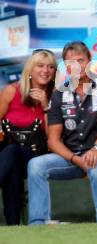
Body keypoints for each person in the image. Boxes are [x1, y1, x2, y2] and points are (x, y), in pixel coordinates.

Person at [27, 41, 97, 225]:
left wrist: (96, 148)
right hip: (72, 157)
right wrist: (75, 159)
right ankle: (37, 224)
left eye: (81, 60)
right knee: (35, 165)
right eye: (71, 63)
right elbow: (53, 140)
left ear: (89, 60)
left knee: (95, 160)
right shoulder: (59, 94)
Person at [0, 49, 57, 225]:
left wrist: (46, 106)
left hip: (37, 155)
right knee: (12, 167)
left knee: (12, 153)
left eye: (50, 67)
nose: (45, 70)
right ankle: (13, 227)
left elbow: (52, 138)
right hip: (9, 157)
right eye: (40, 65)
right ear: (30, 70)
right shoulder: (12, 91)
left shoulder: (57, 95)